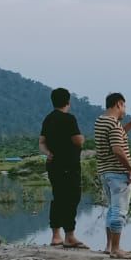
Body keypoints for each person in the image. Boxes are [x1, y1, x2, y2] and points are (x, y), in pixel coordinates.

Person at [93, 93, 131, 258]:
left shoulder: (101, 121)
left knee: (111, 209)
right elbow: (117, 149)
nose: (125, 110)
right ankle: (116, 249)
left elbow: (117, 136)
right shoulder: (114, 124)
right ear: (118, 104)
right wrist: (130, 167)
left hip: (105, 172)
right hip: (118, 173)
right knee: (119, 211)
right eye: (124, 106)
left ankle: (109, 246)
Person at [38, 87, 88, 248]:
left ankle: (55, 236)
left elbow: (41, 143)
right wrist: (82, 138)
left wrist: (48, 153)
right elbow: (78, 141)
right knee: (72, 197)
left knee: (58, 197)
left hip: (53, 165)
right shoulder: (68, 119)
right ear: (68, 101)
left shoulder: (48, 119)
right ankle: (70, 235)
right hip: (68, 164)